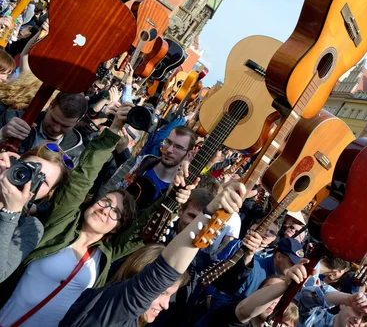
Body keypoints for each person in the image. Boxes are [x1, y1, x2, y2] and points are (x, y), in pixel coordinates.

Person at [0, 104, 195, 326]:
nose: (105, 209)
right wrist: (112, 131)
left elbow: (140, 231)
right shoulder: (61, 225)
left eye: (116, 213)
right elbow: (81, 179)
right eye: (105, 202)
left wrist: (174, 198)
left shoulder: (105, 255)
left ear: (117, 227)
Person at [57, 181, 247, 327]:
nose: (166, 305)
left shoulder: (130, 320)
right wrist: (208, 214)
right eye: (162, 293)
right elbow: (164, 272)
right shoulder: (110, 312)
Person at [0, 144, 71, 282]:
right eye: (28, 169)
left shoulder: (30, 228)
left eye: (42, 180)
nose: (28, 180)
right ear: (14, 162)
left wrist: (11, 213)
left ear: (49, 194)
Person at [99, 125, 198, 208]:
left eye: (178, 147)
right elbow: (108, 188)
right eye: (168, 142)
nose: (169, 150)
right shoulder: (140, 162)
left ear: (188, 155)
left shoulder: (176, 190)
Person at [0, 92, 88, 164]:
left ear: (78, 120)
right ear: (51, 105)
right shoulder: (13, 118)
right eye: (54, 120)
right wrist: (1, 134)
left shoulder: (76, 153)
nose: (56, 129)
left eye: (65, 126)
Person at [208, 265, 308, 327]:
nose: (273, 299)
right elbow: (243, 311)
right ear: (257, 292)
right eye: (269, 290)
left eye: (280, 296)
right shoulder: (233, 313)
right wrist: (286, 284)